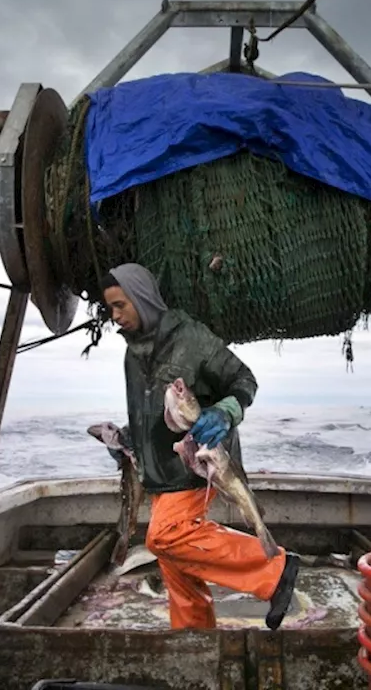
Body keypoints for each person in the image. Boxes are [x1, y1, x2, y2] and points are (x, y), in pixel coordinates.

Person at [98, 262, 299, 630]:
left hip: (195, 464)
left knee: (165, 536)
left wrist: (226, 410)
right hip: (159, 472)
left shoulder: (190, 336)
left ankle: (276, 568)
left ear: (141, 300)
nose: (114, 316)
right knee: (180, 577)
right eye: (110, 308)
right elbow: (146, 414)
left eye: (120, 305)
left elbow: (243, 379)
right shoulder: (133, 354)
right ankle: (195, 643)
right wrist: (127, 440)